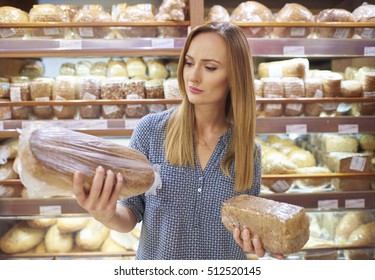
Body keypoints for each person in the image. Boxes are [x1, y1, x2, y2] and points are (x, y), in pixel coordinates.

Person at [73, 21, 269, 260]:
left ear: (234, 77)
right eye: (188, 63)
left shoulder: (249, 151)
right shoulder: (151, 131)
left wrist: (257, 243)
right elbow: (131, 212)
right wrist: (104, 214)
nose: (193, 76)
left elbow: (247, 231)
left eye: (209, 68)